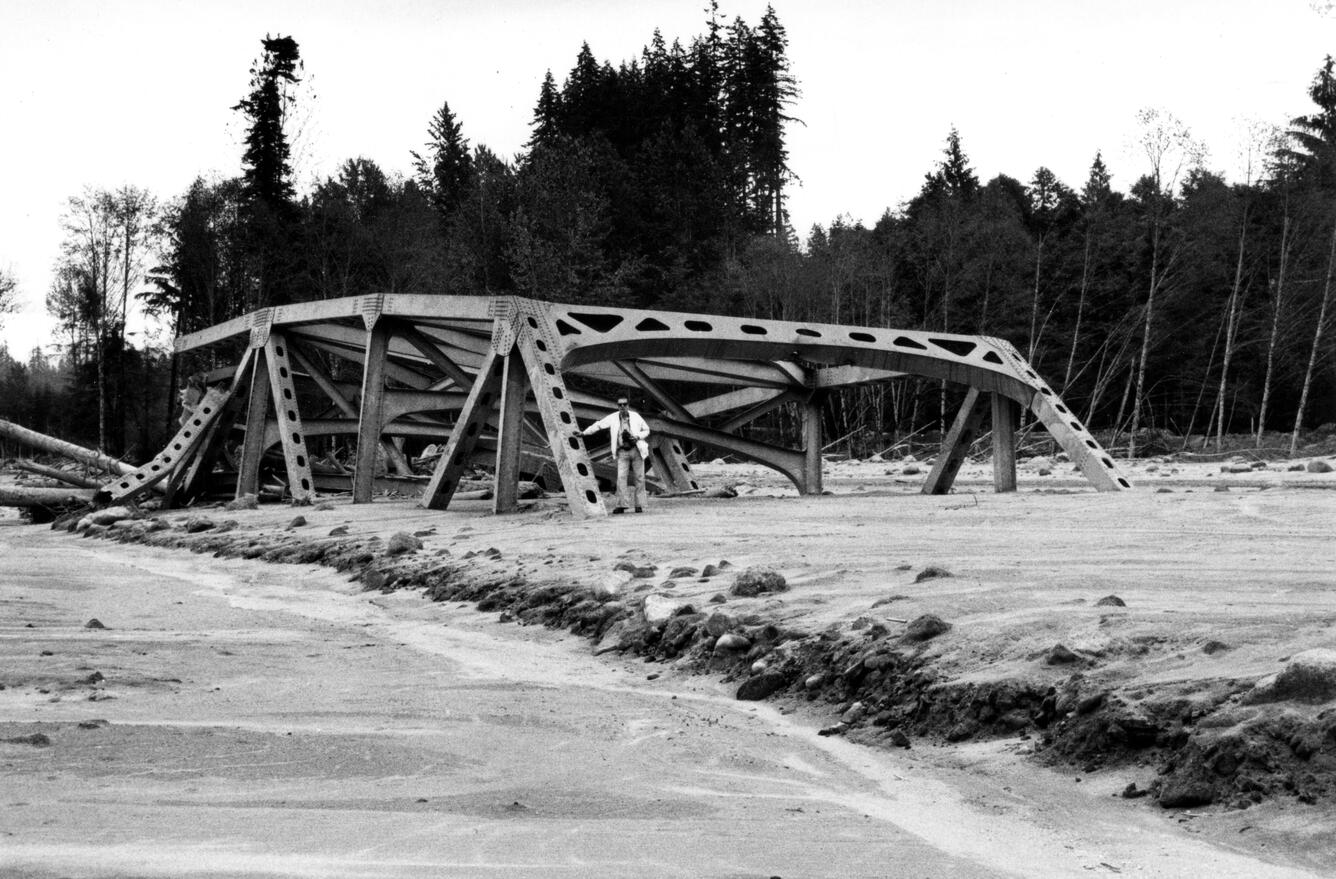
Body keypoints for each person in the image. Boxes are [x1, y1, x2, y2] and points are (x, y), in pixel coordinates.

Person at [577, 396, 650, 513]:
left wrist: (637, 437)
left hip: (636, 449)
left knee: (639, 477)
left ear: (628, 405)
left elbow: (647, 430)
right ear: (617, 406)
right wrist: (584, 433)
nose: (622, 407)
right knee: (621, 478)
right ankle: (622, 505)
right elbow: (599, 425)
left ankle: (639, 504)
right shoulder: (613, 417)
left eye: (624, 404)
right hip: (622, 451)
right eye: (620, 405)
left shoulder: (636, 416)